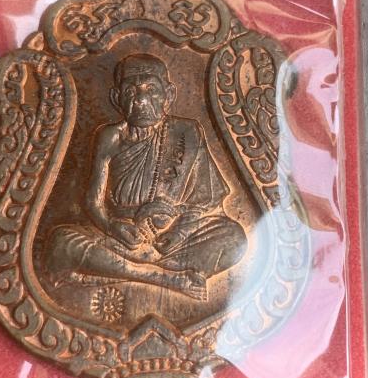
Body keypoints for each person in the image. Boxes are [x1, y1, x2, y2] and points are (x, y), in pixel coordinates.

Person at [44, 52, 246, 300]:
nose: (141, 100)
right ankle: (162, 278)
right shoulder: (110, 137)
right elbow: (93, 202)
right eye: (131, 92)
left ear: (168, 95)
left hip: (170, 240)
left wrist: (178, 232)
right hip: (124, 237)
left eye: (152, 90)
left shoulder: (187, 131)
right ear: (116, 98)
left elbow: (207, 201)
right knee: (61, 241)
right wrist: (112, 226)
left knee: (233, 236)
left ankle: (121, 271)